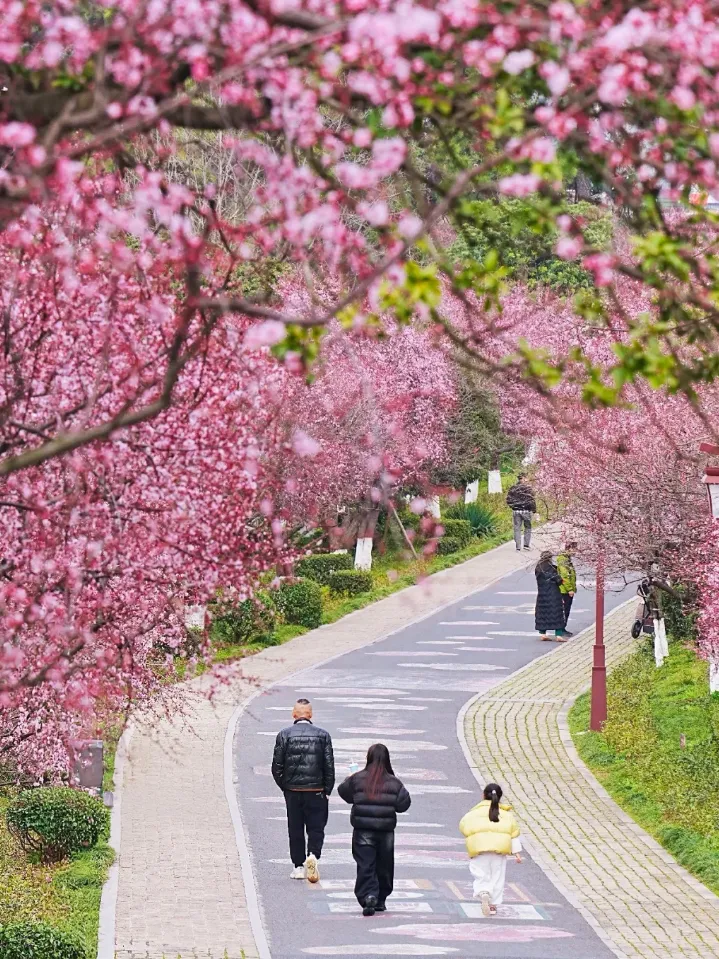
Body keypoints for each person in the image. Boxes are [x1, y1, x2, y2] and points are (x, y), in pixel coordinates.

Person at [338, 743, 411, 916]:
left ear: (368, 758)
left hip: (363, 830)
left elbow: (344, 794)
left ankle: (368, 894)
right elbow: (403, 805)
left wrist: (350, 777)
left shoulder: (358, 778)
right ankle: (380, 898)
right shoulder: (394, 782)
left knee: (366, 864)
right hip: (385, 832)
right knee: (384, 865)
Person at [272, 698, 335, 883]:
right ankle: (313, 856)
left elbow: (277, 766)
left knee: (295, 828)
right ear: (310, 715)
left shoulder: (284, 735)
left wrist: (285, 786)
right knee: (316, 827)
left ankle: (298, 867)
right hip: (316, 789)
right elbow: (329, 765)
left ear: (294, 714)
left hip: (293, 790)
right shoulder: (323, 736)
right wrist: (327, 789)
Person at [459, 783, 522, 917]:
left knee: (480, 873)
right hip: (499, 850)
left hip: (479, 848)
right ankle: (493, 905)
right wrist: (517, 853)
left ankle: (483, 892)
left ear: (483, 796)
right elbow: (514, 834)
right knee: (497, 877)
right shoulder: (507, 815)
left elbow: (463, 827)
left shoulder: (472, 814)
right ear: (500, 797)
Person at [535, 550, 568, 641]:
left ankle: (543, 634)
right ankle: (558, 635)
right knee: (556, 613)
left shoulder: (538, 568)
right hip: (553, 593)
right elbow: (558, 580)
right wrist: (561, 580)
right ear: (549, 558)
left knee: (543, 613)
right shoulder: (551, 568)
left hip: (542, 594)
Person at [505, 473, 536, 551]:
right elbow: (532, 500)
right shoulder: (528, 488)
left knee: (517, 528)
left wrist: (513, 507)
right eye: (526, 478)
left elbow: (508, 500)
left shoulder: (513, 488)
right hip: (526, 511)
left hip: (516, 511)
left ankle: (518, 547)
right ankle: (526, 545)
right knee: (528, 527)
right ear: (524, 478)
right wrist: (534, 510)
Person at [556, 542, 577, 637]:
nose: (575, 552)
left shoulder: (566, 559)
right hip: (564, 591)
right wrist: (569, 589)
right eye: (574, 549)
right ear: (569, 549)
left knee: (566, 609)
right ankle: (561, 628)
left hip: (566, 590)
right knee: (565, 609)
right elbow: (565, 575)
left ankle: (562, 628)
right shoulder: (563, 560)